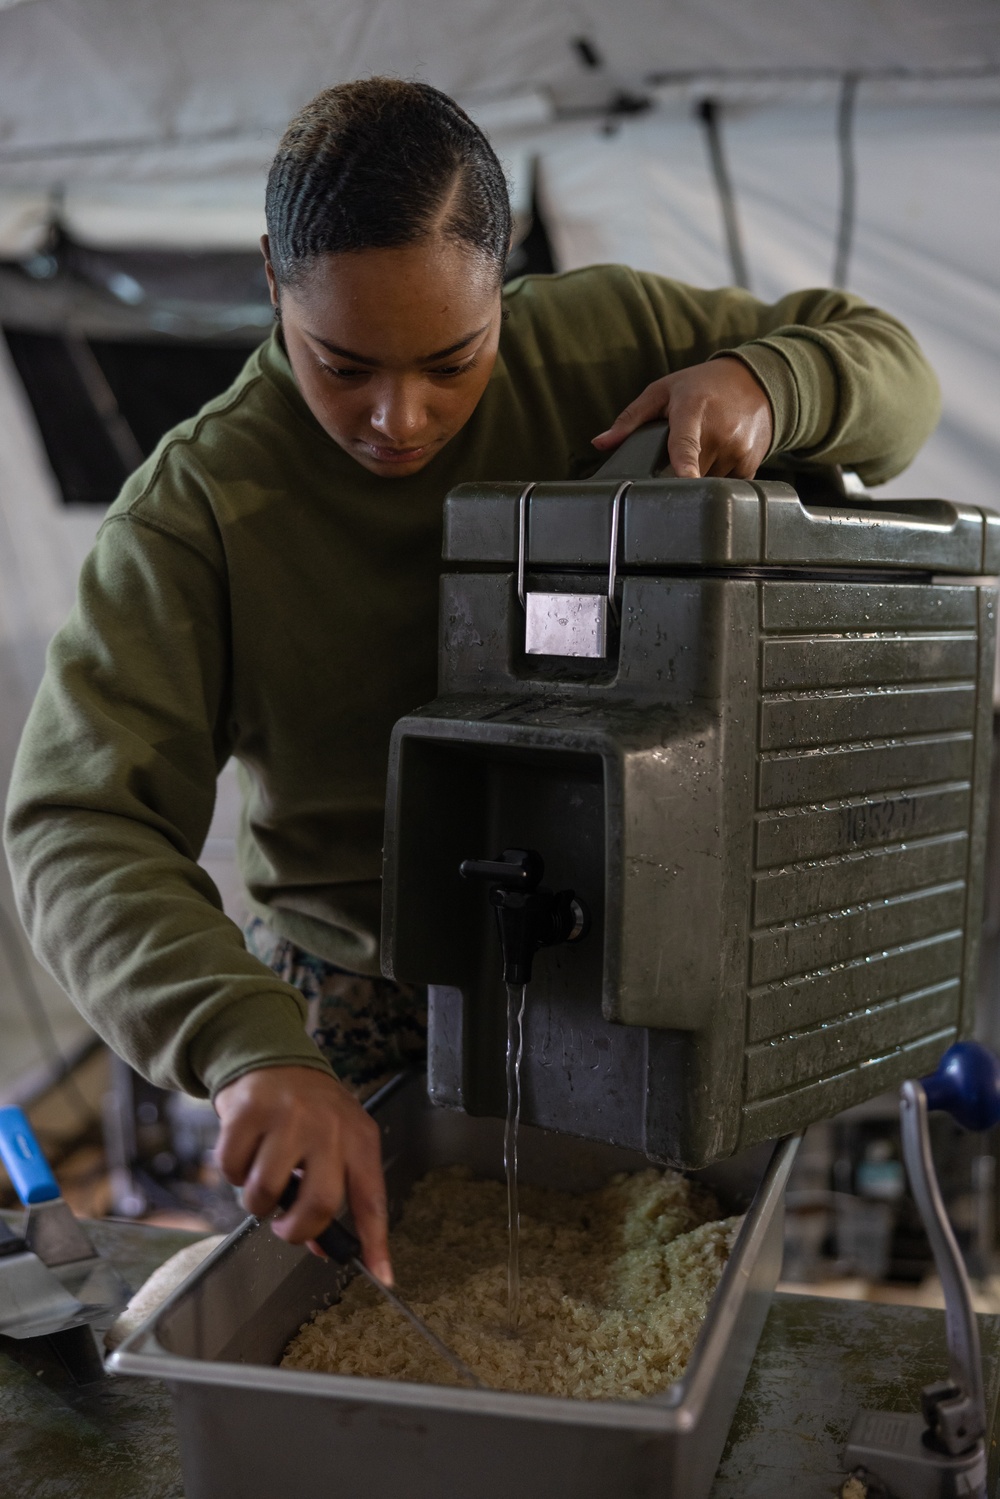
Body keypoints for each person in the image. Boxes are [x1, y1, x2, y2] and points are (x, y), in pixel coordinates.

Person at [4, 78, 939, 1284]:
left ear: (504, 278)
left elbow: (892, 373)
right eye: (341, 365)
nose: (400, 418)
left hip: (637, 949)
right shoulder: (197, 516)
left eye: (454, 360)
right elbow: (79, 822)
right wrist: (249, 1051)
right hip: (355, 997)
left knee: (658, 1285)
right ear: (270, 281)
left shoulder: (608, 342)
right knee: (383, 1327)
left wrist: (772, 382)